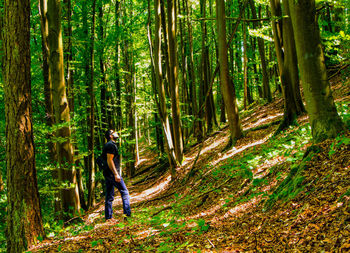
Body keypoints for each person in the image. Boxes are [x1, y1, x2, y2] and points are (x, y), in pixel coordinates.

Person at [102, 129, 131, 221]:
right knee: (125, 192)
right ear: (110, 136)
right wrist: (116, 174)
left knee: (109, 195)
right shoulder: (110, 145)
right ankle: (127, 216)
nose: (116, 133)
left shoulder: (110, 145)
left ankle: (108, 217)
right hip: (112, 174)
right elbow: (109, 160)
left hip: (108, 174)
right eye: (113, 132)